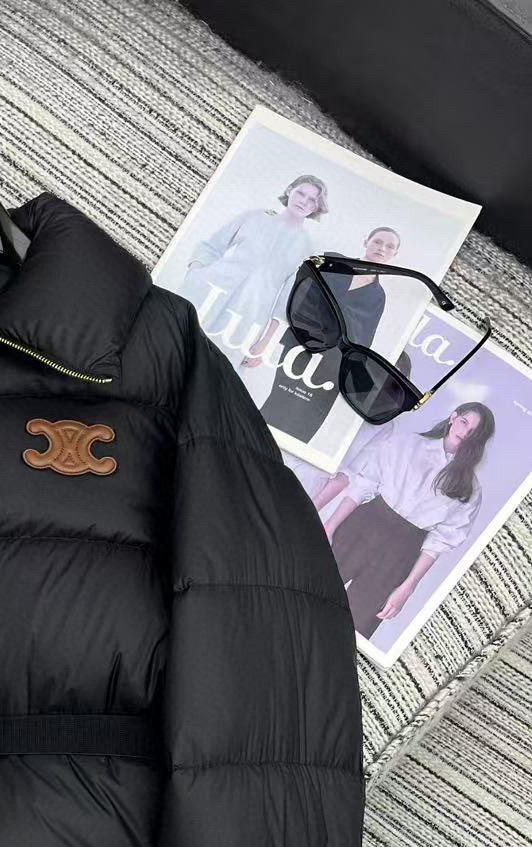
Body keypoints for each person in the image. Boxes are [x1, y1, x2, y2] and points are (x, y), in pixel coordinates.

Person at [323, 402, 495, 638]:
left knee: (352, 629)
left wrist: (408, 587)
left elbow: (439, 542)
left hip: (401, 553)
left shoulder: (470, 489)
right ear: (453, 417)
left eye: (474, 432)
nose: (465, 433)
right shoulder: (407, 443)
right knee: (308, 586)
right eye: (464, 422)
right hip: (362, 527)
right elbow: (364, 484)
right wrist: (329, 526)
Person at [253, 226, 401, 442]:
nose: (382, 248)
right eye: (377, 241)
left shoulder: (378, 295)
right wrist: (269, 339)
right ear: (366, 241)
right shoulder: (332, 262)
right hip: (300, 344)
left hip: (334, 362)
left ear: (394, 254)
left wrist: (350, 375)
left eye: (389, 246)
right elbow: (297, 296)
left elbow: (365, 339)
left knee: (307, 416)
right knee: (280, 398)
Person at [177, 173, 328, 360]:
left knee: (213, 364)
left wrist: (265, 344)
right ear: (290, 190)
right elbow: (211, 246)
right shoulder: (255, 216)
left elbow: (287, 301)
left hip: (247, 316)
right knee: (174, 346)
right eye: (300, 193)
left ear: (316, 207)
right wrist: (195, 273)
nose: (304, 201)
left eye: (312, 200)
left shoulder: (308, 249)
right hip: (207, 293)